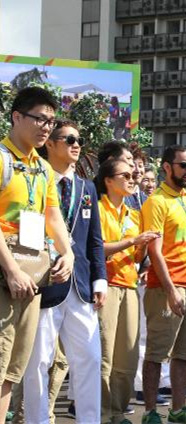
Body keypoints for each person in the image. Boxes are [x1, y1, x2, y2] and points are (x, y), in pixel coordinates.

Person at [20, 119, 105, 423]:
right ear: (50, 144)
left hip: (81, 287)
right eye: (69, 139)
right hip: (45, 284)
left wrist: (100, 280)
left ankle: (89, 420)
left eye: (78, 139)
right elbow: (27, 231)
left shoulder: (87, 186)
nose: (76, 145)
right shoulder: (35, 180)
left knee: (90, 359)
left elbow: (95, 239)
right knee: (38, 362)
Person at [0, 87, 75, 424]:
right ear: (17, 117)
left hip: (32, 274)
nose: (47, 126)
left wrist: (67, 253)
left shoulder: (42, 169)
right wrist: (12, 270)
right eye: (40, 119)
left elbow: (53, 218)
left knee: (12, 368)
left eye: (51, 120)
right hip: (7, 274)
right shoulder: (2, 158)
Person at [140, 145, 186, 424]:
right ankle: (149, 413)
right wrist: (171, 290)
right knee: (157, 353)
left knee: (185, 354)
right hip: (165, 286)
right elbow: (154, 251)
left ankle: (178, 410)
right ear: (167, 167)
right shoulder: (156, 201)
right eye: (184, 165)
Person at [96, 158, 160, 424]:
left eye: (134, 175)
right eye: (126, 175)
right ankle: (103, 412)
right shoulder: (99, 208)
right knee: (105, 355)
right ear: (108, 180)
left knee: (128, 356)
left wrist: (143, 247)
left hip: (130, 286)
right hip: (107, 286)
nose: (132, 179)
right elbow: (97, 248)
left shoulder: (134, 214)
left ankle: (119, 411)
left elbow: (137, 255)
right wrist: (133, 240)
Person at [124, 143, 148, 211]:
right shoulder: (121, 197)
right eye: (133, 166)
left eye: (140, 166)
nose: (138, 170)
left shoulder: (146, 199)